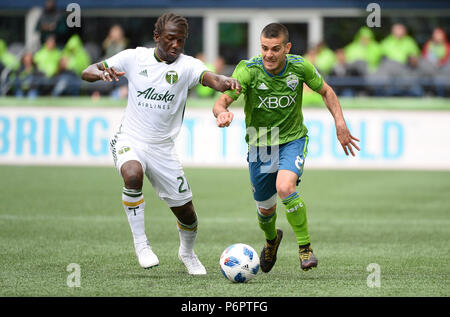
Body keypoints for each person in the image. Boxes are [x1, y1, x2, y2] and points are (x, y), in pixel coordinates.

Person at [81, 13, 241, 275]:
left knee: (187, 214)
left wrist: (227, 82)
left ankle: (187, 254)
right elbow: (87, 71)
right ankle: (142, 245)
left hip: (162, 149)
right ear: (157, 37)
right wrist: (100, 73)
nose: (176, 45)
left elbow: (213, 79)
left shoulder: (188, 65)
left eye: (181, 40)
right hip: (130, 139)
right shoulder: (134, 58)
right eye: (170, 39)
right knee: (132, 174)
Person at [213, 23, 359, 273]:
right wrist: (222, 114)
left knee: (285, 187)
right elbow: (220, 103)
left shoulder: (299, 66)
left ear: (287, 48)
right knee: (265, 209)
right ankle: (271, 241)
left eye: (275, 49)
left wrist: (340, 123)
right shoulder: (247, 71)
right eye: (264, 48)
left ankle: (305, 248)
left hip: (292, 139)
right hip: (260, 143)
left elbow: (326, 91)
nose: (269, 54)